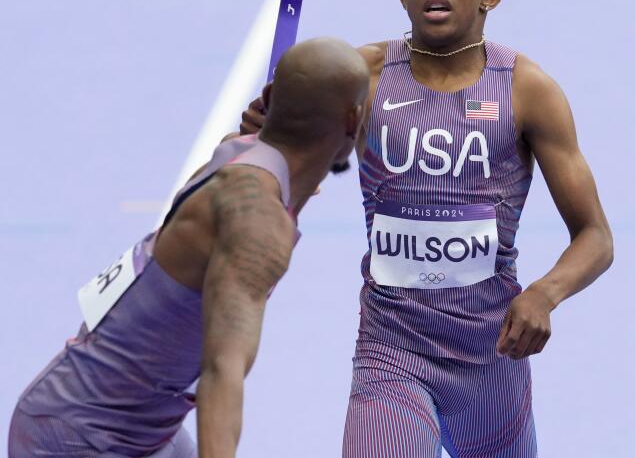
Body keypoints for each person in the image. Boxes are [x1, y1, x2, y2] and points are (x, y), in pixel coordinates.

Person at [240, 0, 614, 457]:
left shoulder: (527, 90)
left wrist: (543, 294)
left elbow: (596, 236)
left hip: (492, 358)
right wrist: (266, 135)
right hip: (390, 348)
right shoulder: (361, 76)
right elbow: (280, 169)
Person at [9, 38, 370, 457]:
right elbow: (223, 370)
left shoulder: (238, 152)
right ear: (353, 120)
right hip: (81, 439)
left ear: (270, 97)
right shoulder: (256, 224)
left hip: (129, 425)